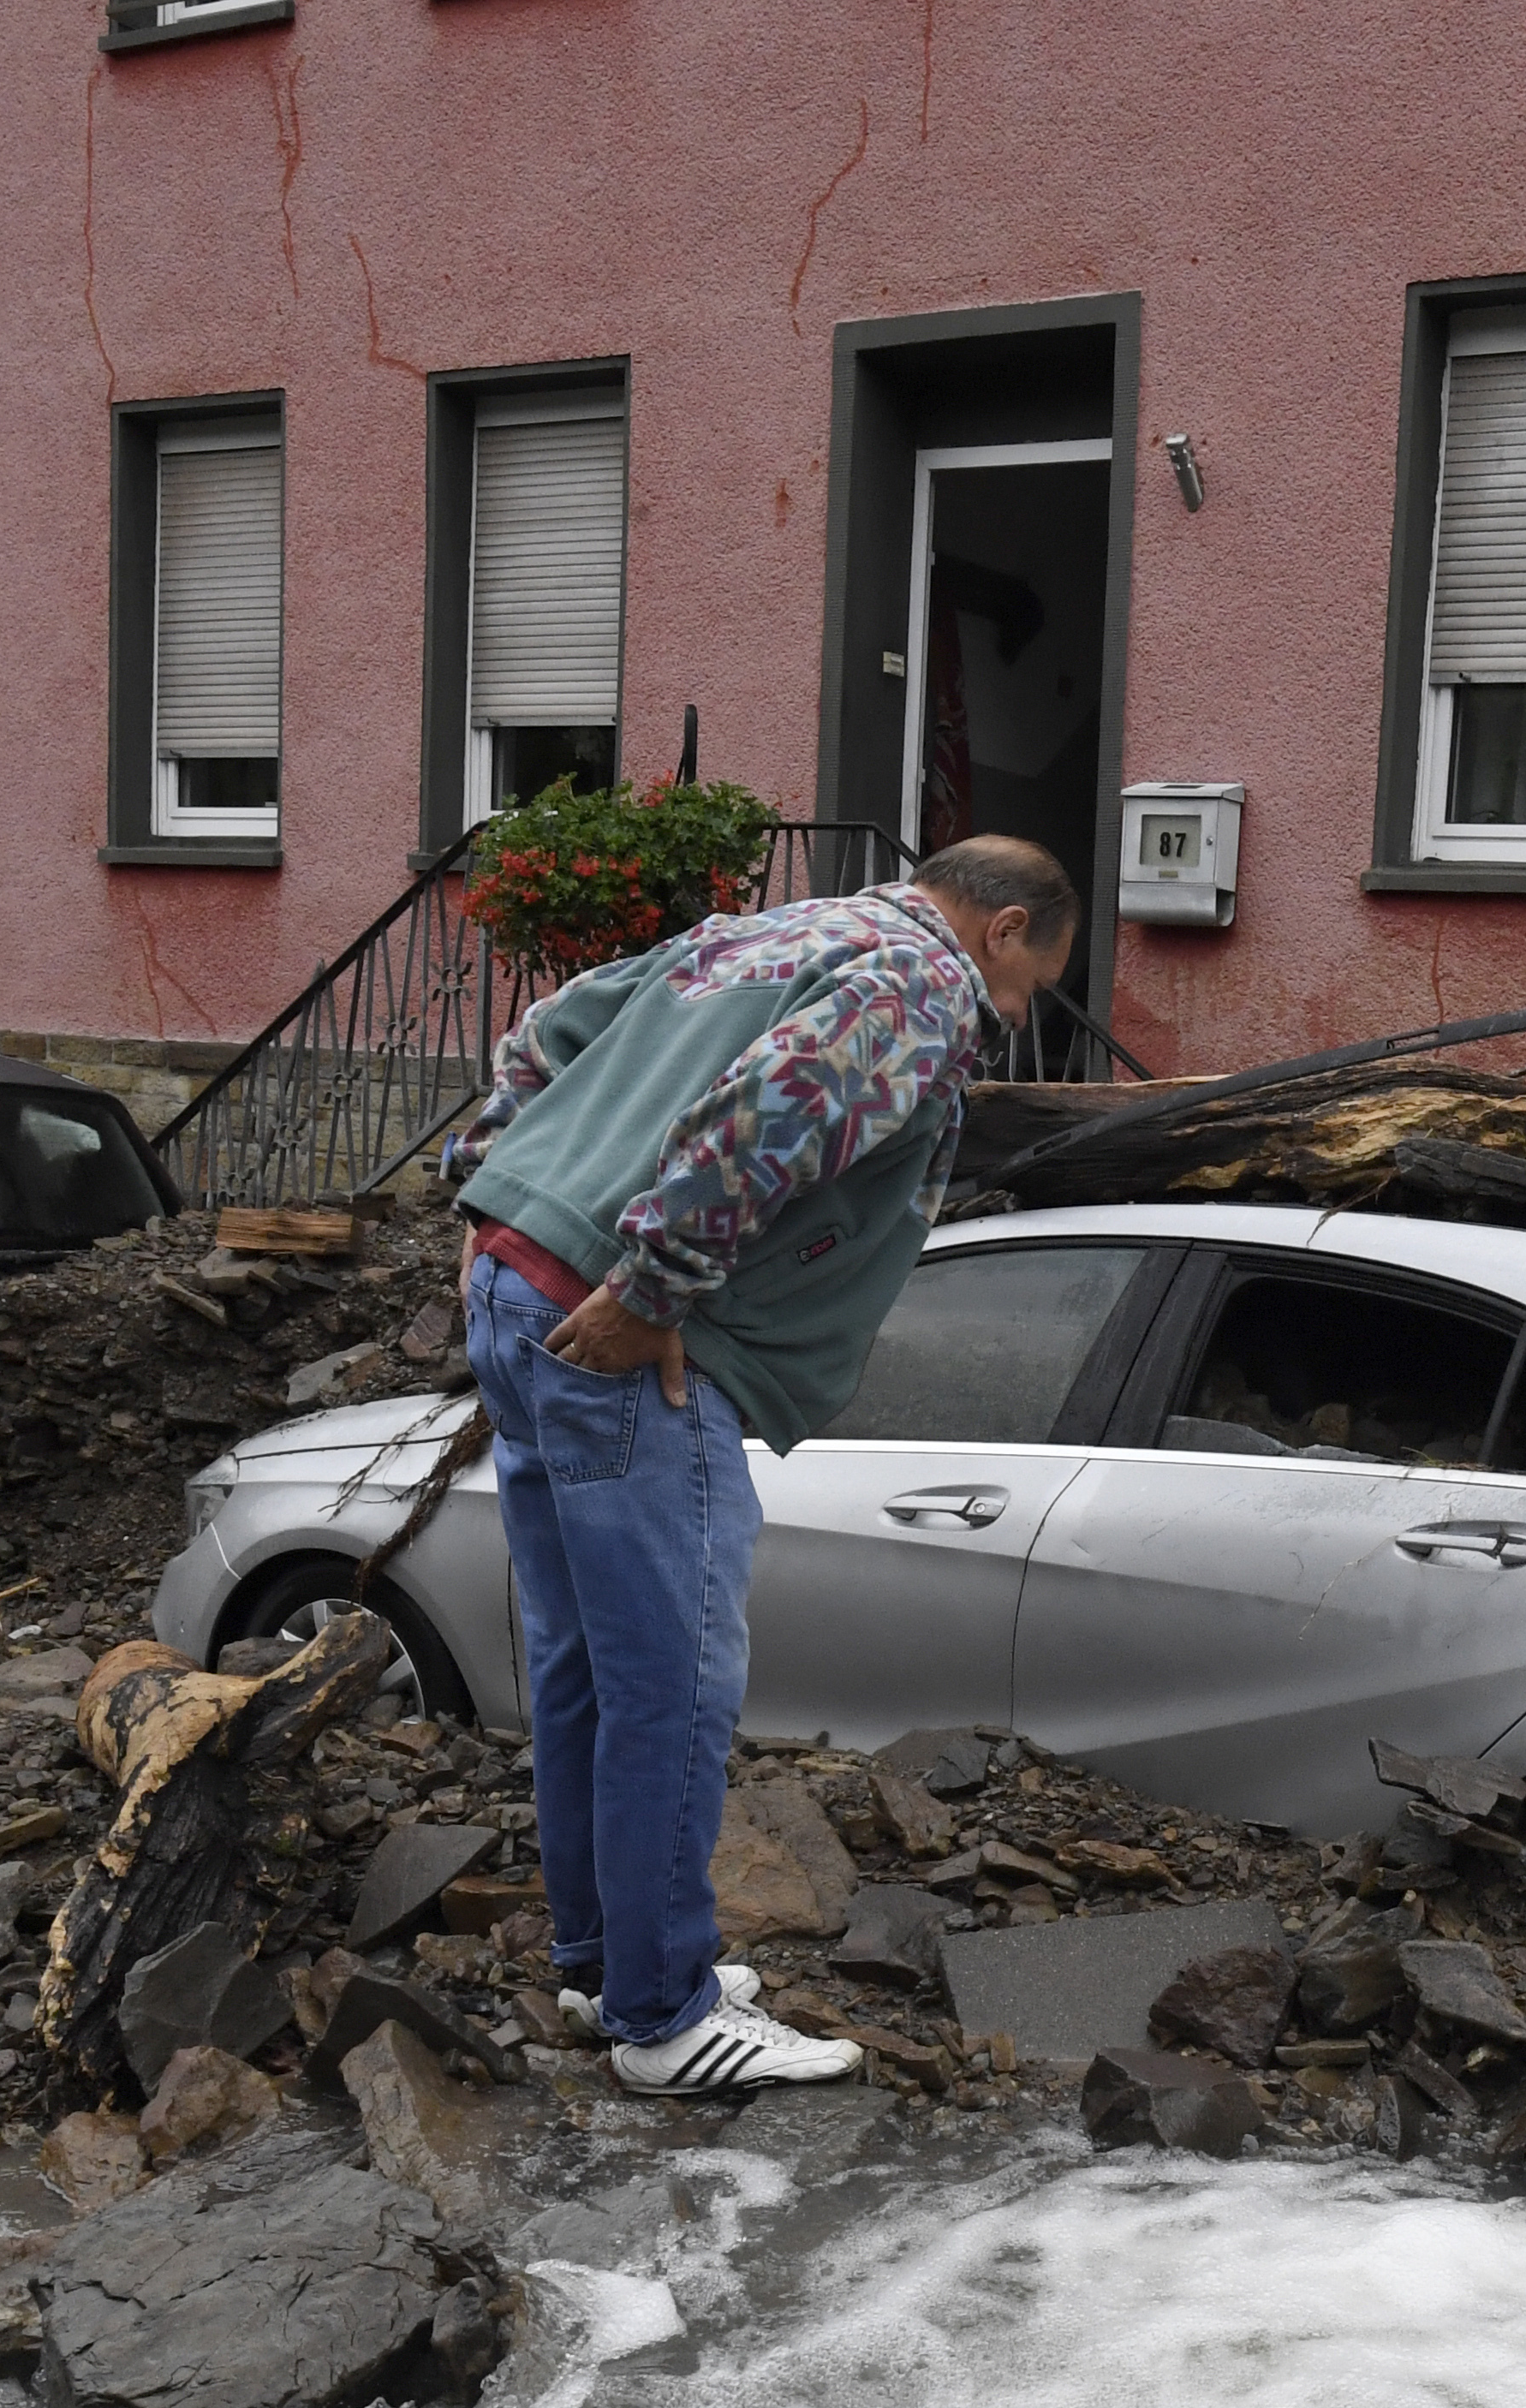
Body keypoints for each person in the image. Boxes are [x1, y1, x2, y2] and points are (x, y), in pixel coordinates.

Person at [443, 831, 1081, 2095]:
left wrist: (488, 1199)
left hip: (523, 1301)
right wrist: (656, 1288)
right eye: (1029, 986)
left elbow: (548, 1032)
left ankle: (603, 1962)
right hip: (622, 1344)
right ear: (1002, 929)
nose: (1012, 1016)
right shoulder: (917, 977)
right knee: (674, 1680)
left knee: (585, 1658)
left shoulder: (761, 934)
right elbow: (771, 1115)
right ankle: (666, 2022)